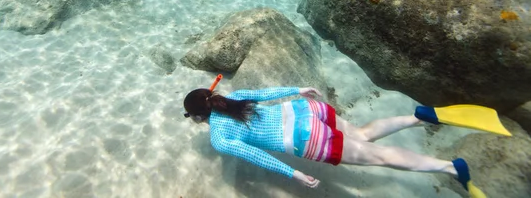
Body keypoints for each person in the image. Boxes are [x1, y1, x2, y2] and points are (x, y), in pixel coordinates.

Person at [183, 77, 509, 197]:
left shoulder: (219, 138)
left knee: (378, 157)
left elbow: (257, 156)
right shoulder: (235, 95)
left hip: (307, 137)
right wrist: (299, 89)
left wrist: (294, 172)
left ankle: (451, 168)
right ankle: (419, 116)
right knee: (363, 134)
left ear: (200, 118)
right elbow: (267, 92)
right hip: (309, 110)